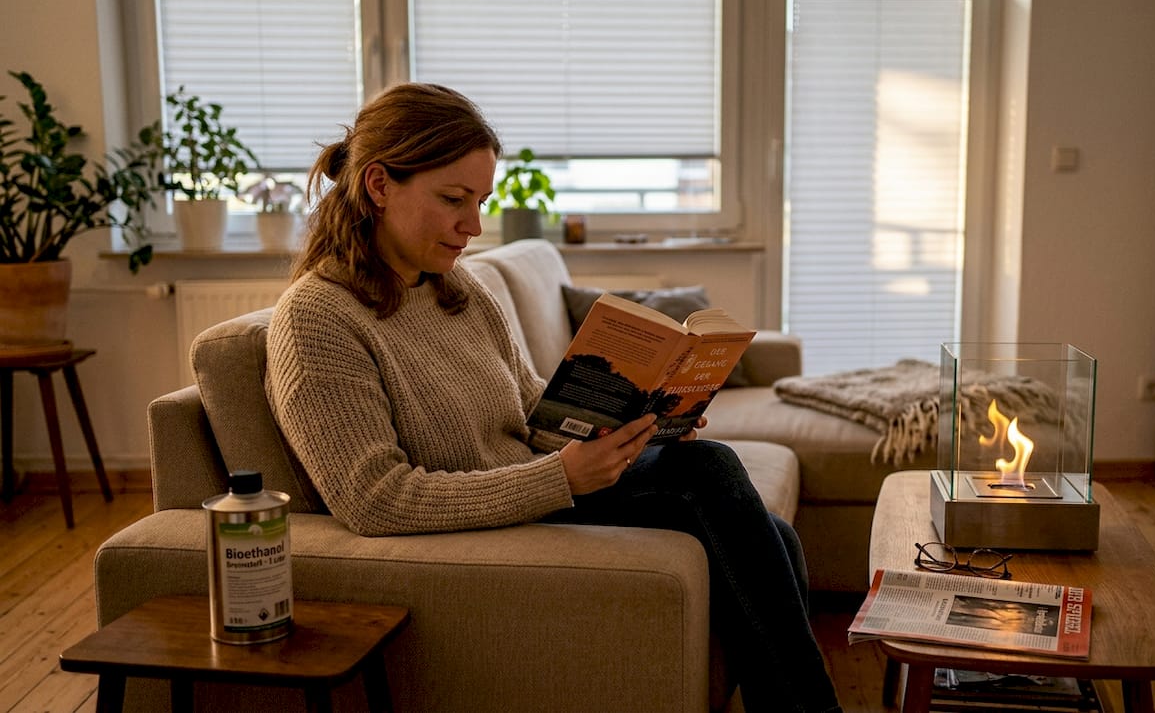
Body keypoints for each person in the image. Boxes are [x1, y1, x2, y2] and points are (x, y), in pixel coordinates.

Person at [264, 82, 841, 713]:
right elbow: (375, 499)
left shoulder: (457, 289)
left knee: (776, 537)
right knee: (710, 472)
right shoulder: (318, 318)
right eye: (453, 199)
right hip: (492, 516)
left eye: (480, 201)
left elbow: (528, 406)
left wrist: (639, 418)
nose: (472, 225)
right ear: (379, 185)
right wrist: (558, 479)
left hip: (540, 486)